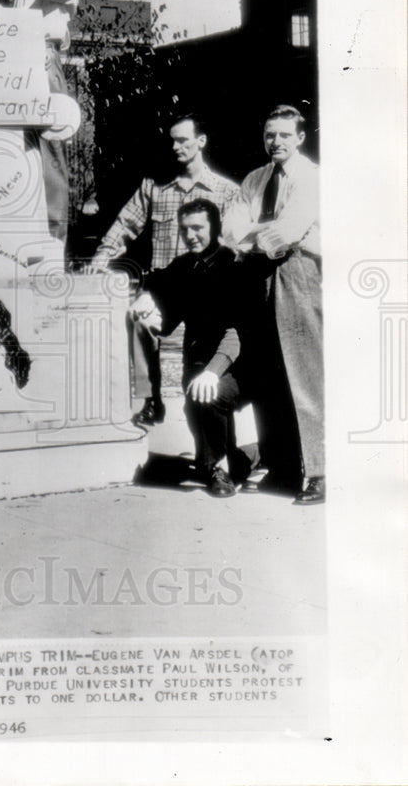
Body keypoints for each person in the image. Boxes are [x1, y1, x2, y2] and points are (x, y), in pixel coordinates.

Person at [89, 116, 240, 426]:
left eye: (183, 140)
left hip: (209, 292)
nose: (176, 147)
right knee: (140, 319)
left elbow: (237, 243)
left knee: (219, 337)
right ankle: (150, 399)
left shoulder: (226, 192)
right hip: (167, 291)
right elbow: (125, 225)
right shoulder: (154, 188)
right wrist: (101, 258)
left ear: (201, 142)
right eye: (172, 141)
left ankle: (214, 403)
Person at [223, 105, 324, 504]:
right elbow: (231, 230)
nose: (275, 142)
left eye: (284, 135)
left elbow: (289, 230)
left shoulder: (310, 177)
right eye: (269, 135)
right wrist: (253, 236)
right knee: (268, 375)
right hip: (256, 277)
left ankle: (319, 471)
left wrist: (255, 235)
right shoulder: (254, 179)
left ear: (300, 137)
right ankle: (282, 466)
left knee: (305, 372)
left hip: (297, 273)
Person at [131, 199, 257, 497]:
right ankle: (239, 457)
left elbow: (236, 332)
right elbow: (166, 319)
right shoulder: (184, 266)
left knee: (208, 398)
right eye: (185, 230)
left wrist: (213, 373)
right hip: (197, 366)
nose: (191, 236)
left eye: (198, 228)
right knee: (195, 407)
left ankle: (221, 469)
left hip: (236, 366)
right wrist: (146, 306)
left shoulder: (234, 266)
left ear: (214, 227)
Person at [0, 0, 87, 241]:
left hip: (44, 62)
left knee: (49, 150)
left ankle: (53, 243)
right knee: (12, 147)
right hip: (15, 63)